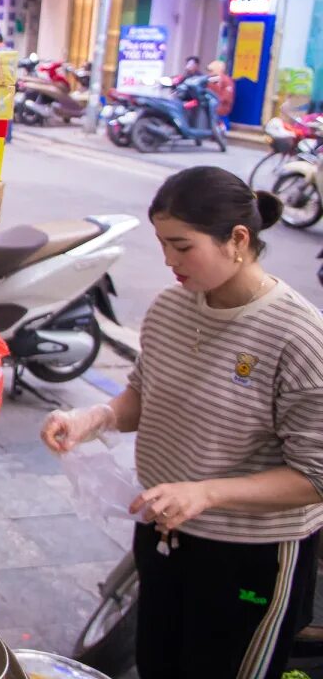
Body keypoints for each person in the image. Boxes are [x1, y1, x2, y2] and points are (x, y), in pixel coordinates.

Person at [40, 166, 323, 679]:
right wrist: (95, 417)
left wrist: (206, 494)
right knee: (159, 663)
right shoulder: (172, 307)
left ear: (238, 239)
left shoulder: (298, 337)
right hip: (164, 534)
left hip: (249, 555)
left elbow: (314, 477)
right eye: (162, 244)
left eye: (182, 246)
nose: (168, 261)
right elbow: (145, 395)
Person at [208, 59, 236, 128]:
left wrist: (218, 101)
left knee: (221, 121)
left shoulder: (226, 80)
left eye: (211, 71)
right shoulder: (212, 79)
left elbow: (227, 95)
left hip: (221, 107)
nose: (209, 73)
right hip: (212, 105)